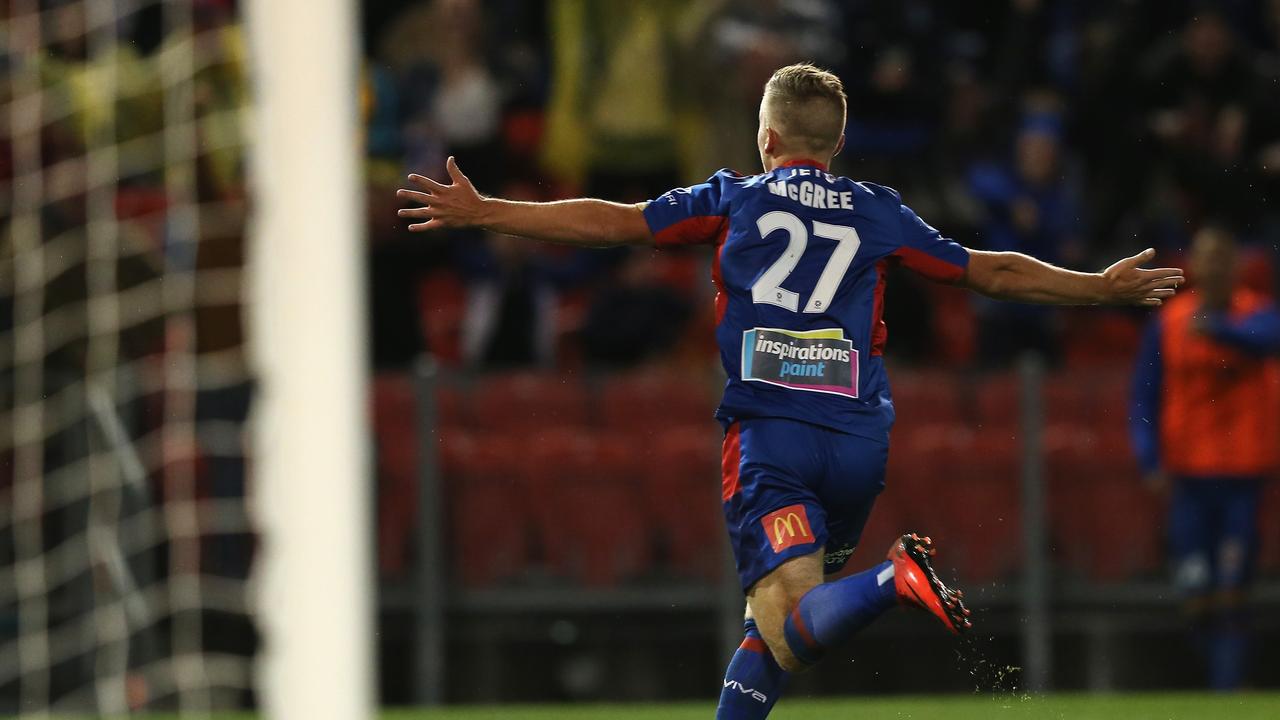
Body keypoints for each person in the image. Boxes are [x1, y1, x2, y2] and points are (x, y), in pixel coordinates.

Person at [399, 63, 1184, 718]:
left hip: (771, 435)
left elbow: (616, 223)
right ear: (837, 143)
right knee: (772, 620)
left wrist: (487, 212)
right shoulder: (878, 211)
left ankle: (892, 579)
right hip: (858, 444)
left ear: (766, 137)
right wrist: (1098, 288)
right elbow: (993, 272)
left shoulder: (734, 198)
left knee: (790, 622)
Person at [1130, 226, 1280, 691]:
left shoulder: (1257, 312)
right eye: (1204, 258)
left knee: (1234, 591)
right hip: (1190, 476)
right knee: (1195, 592)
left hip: (1242, 473)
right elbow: (1144, 394)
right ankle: (1219, 684)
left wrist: (1216, 329)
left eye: (1221, 258)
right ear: (1193, 264)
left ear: (1235, 265)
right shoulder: (1170, 320)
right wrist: (1148, 456)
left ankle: (1226, 692)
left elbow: (1266, 340)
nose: (1212, 267)